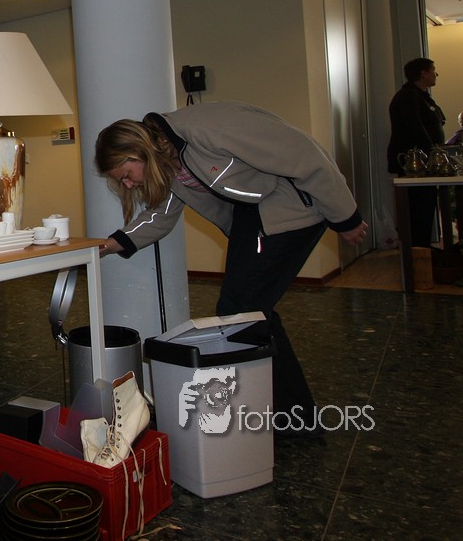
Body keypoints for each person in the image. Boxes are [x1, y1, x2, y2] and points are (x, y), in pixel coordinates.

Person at [95, 101, 366, 433]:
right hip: (254, 216)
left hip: (291, 209)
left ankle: (292, 419)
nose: (127, 185)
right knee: (249, 313)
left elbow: (305, 155)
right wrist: (107, 245)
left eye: (126, 175)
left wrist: (346, 217)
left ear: (137, 152)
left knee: (241, 312)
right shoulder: (169, 161)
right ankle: (294, 416)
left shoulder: (205, 130)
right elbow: (160, 216)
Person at [386, 57, 446, 248]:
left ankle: (423, 247)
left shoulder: (421, 96)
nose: (436, 74)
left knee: (426, 205)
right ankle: (417, 249)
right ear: (423, 73)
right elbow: (415, 127)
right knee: (419, 206)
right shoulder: (408, 96)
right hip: (415, 163)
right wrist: (432, 152)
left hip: (424, 160)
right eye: (433, 70)